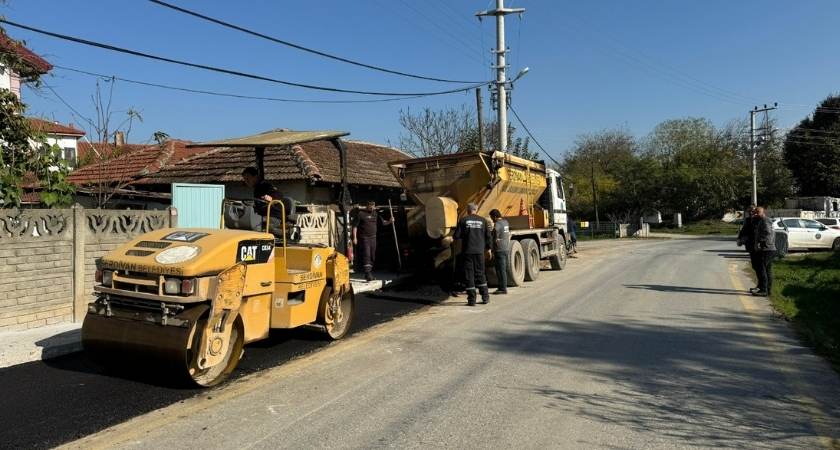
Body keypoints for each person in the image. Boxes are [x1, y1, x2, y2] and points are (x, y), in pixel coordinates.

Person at [454, 203, 492, 306]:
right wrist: (488, 249)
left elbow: (456, 236)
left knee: (469, 275)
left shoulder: (463, 220)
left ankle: (472, 300)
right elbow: (488, 236)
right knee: (480, 273)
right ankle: (485, 298)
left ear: (467, 210)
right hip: (479, 251)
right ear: (476, 209)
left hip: (467, 252)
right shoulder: (483, 220)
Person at [352, 200, 392, 282]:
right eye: (370, 206)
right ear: (367, 206)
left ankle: (369, 272)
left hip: (373, 238)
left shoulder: (375, 214)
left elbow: (383, 223)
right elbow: (355, 226)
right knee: (367, 254)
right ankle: (368, 274)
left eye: (373, 206)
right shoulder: (361, 214)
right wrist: (355, 237)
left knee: (372, 256)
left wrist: (390, 221)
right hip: (364, 238)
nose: (372, 207)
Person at [752, 206, 776, 297]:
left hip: (766, 249)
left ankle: (763, 290)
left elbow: (767, 232)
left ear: (763, 212)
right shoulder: (765, 220)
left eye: (757, 212)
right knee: (767, 269)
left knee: (762, 269)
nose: (755, 214)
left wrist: (759, 242)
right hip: (769, 248)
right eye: (755, 212)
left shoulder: (765, 221)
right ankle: (767, 290)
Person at [736, 205, 761, 293]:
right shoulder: (748, 220)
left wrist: (747, 237)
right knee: (755, 266)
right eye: (749, 211)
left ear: (756, 211)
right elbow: (744, 230)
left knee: (759, 267)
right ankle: (759, 286)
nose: (751, 213)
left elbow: (756, 233)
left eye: (752, 211)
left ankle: (763, 287)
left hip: (758, 247)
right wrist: (739, 239)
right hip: (751, 246)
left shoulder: (759, 220)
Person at [489, 209, 511, 295]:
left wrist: (494, 240)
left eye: (491, 217)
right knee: (503, 269)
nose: (492, 220)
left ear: (495, 216)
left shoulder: (497, 224)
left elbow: (495, 233)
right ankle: (502, 287)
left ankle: (503, 288)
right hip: (506, 248)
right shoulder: (505, 222)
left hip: (499, 249)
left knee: (500, 270)